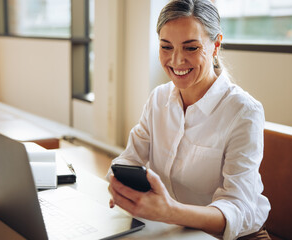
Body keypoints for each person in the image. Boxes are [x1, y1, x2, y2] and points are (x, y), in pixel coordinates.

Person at [107, 0, 271, 239]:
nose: (176, 60)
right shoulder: (158, 99)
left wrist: (170, 211)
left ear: (215, 45)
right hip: (172, 228)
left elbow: (238, 208)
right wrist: (120, 186)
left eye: (190, 48)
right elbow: (129, 159)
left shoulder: (244, 112)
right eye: (166, 47)